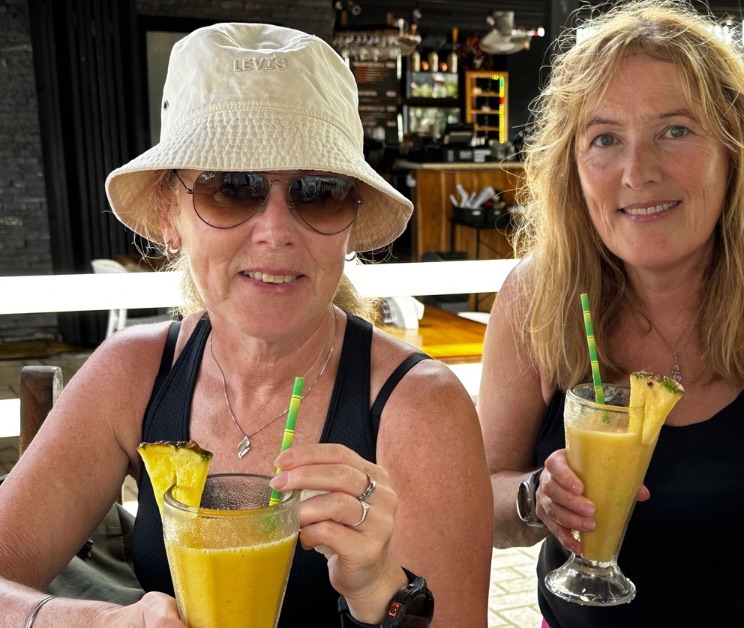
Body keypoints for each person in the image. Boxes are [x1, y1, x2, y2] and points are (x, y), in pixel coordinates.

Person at [0, 23, 491, 627]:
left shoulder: (420, 408)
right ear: (169, 212)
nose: (276, 230)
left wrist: (380, 594)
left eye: (317, 192)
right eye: (232, 188)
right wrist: (93, 621)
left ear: (349, 220)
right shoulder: (133, 372)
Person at [478, 1, 744, 625]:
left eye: (675, 130)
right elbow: (483, 499)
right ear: (572, 167)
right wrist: (535, 500)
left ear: (733, 147)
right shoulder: (538, 297)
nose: (638, 172)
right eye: (605, 138)